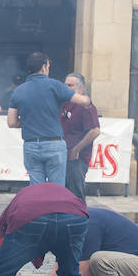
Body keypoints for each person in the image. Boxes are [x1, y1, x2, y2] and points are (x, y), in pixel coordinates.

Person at [7, 53, 92, 185]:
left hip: (31, 145)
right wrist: (87, 99)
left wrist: (30, 121)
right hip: (54, 144)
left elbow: (11, 122)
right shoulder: (55, 85)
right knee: (56, 189)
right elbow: (82, 101)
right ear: (44, 66)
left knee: (36, 188)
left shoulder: (18, 91)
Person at [61, 71, 101, 200]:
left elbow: (95, 131)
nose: (66, 88)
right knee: (62, 193)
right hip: (61, 155)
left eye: (70, 85)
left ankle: (79, 219)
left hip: (77, 158)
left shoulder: (86, 106)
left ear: (81, 88)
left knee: (75, 194)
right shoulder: (63, 104)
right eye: (65, 85)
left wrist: (77, 149)